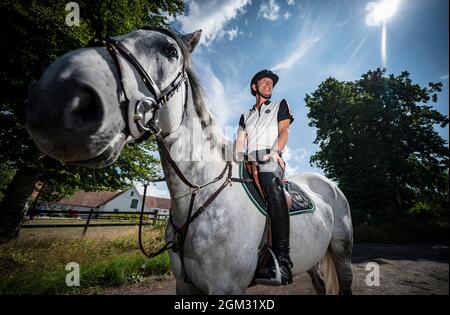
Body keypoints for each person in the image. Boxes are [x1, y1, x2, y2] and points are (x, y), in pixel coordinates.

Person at [234, 69, 294, 285]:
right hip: (248, 160)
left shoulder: (280, 105)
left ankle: (283, 259)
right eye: (264, 82)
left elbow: (284, 132)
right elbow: (240, 142)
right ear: (254, 87)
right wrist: (235, 158)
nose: (269, 85)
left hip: (270, 156)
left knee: (270, 182)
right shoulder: (245, 115)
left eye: (271, 83)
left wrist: (275, 152)